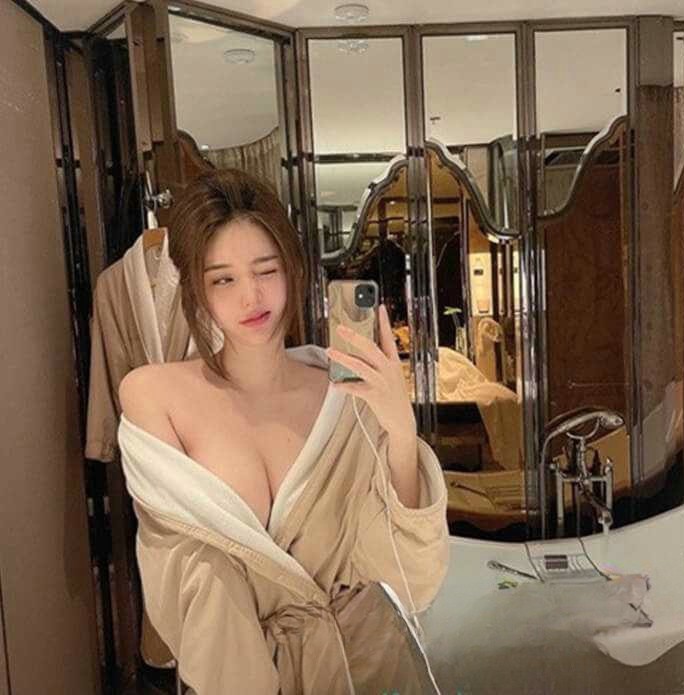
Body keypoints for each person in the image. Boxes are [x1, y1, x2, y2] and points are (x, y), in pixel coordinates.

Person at [117, 169, 449, 694]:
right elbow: (183, 574)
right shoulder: (155, 396)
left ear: (292, 270)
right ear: (196, 291)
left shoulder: (342, 399)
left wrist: (401, 432)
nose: (251, 297)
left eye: (266, 270)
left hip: (367, 668)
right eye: (223, 279)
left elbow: (408, 578)